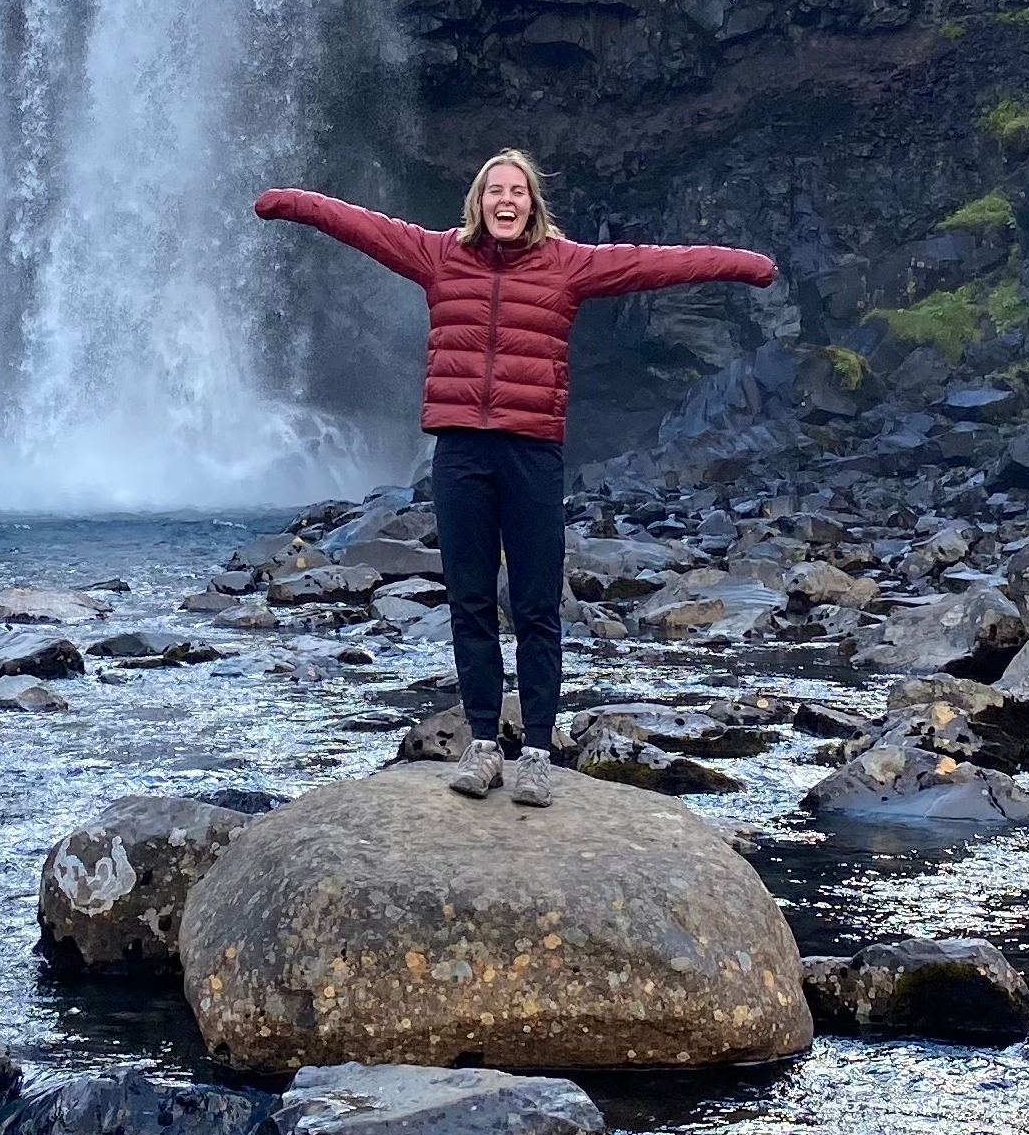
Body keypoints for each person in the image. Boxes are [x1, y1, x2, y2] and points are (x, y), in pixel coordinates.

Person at [254, 153, 777, 807]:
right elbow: (361, 225)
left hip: (531, 451)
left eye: (517, 191)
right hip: (460, 452)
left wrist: (743, 263)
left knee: (534, 603)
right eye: (495, 190)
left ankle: (535, 750)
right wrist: (292, 201)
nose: (506, 200)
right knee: (470, 598)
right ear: (478, 200)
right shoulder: (438, 254)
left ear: (531, 204)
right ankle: (481, 744)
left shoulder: (567, 263)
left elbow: (654, 262)